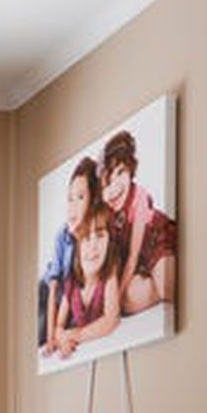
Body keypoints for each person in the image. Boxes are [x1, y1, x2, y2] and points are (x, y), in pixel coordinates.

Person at [100, 129, 176, 316]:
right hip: (140, 263)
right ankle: (154, 279)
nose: (115, 187)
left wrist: (115, 303)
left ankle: (168, 269)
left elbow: (132, 256)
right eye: (108, 182)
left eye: (121, 173)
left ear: (130, 171)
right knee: (129, 300)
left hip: (157, 241)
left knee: (166, 285)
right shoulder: (106, 211)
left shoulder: (139, 198)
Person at [39, 156, 101, 357]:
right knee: (39, 332)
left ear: (93, 201)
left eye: (80, 197)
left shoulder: (95, 241)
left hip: (66, 306)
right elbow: (53, 287)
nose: (72, 206)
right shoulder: (63, 236)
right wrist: (51, 337)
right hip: (48, 296)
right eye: (70, 199)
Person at [53, 199, 125, 358]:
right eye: (86, 238)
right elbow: (58, 326)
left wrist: (76, 335)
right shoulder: (71, 281)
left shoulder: (109, 274)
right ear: (78, 247)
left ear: (109, 243)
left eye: (100, 236)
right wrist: (62, 339)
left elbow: (111, 320)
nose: (93, 246)